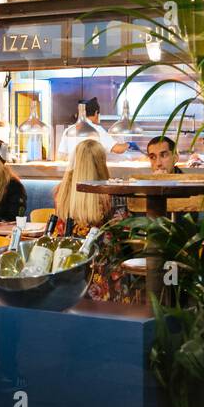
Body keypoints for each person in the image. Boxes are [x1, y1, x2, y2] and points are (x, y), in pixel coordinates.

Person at [53, 139, 140, 303]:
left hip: (68, 264)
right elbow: (125, 231)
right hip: (104, 267)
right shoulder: (112, 194)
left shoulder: (61, 190)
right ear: (101, 162)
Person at [56, 97, 132, 160]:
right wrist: (129, 144)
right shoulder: (96, 130)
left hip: (72, 173)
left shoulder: (69, 130)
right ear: (96, 113)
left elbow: (61, 156)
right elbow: (118, 149)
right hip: (90, 172)